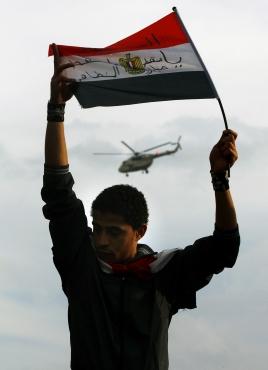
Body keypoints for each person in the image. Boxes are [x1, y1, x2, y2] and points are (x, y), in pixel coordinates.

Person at [41, 44, 240, 370]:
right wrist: (55, 112)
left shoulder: (165, 274)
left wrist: (220, 179)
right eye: (98, 229)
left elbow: (225, 247)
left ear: (140, 232)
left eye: (115, 233)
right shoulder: (83, 269)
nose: (102, 240)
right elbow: (58, 192)